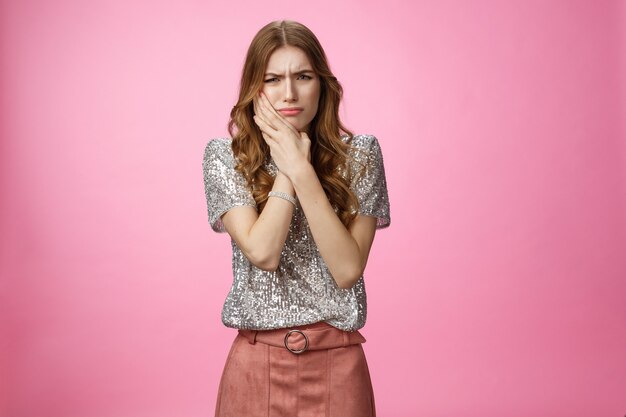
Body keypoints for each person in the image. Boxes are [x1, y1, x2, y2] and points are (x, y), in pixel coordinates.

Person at [202, 19, 390, 417]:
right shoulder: (226, 157)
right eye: (273, 79)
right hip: (256, 364)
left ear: (322, 84)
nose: (289, 93)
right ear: (256, 88)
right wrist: (288, 163)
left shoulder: (362, 155)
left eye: (303, 76)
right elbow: (263, 251)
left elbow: (347, 269)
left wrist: (303, 171)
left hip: (338, 366)